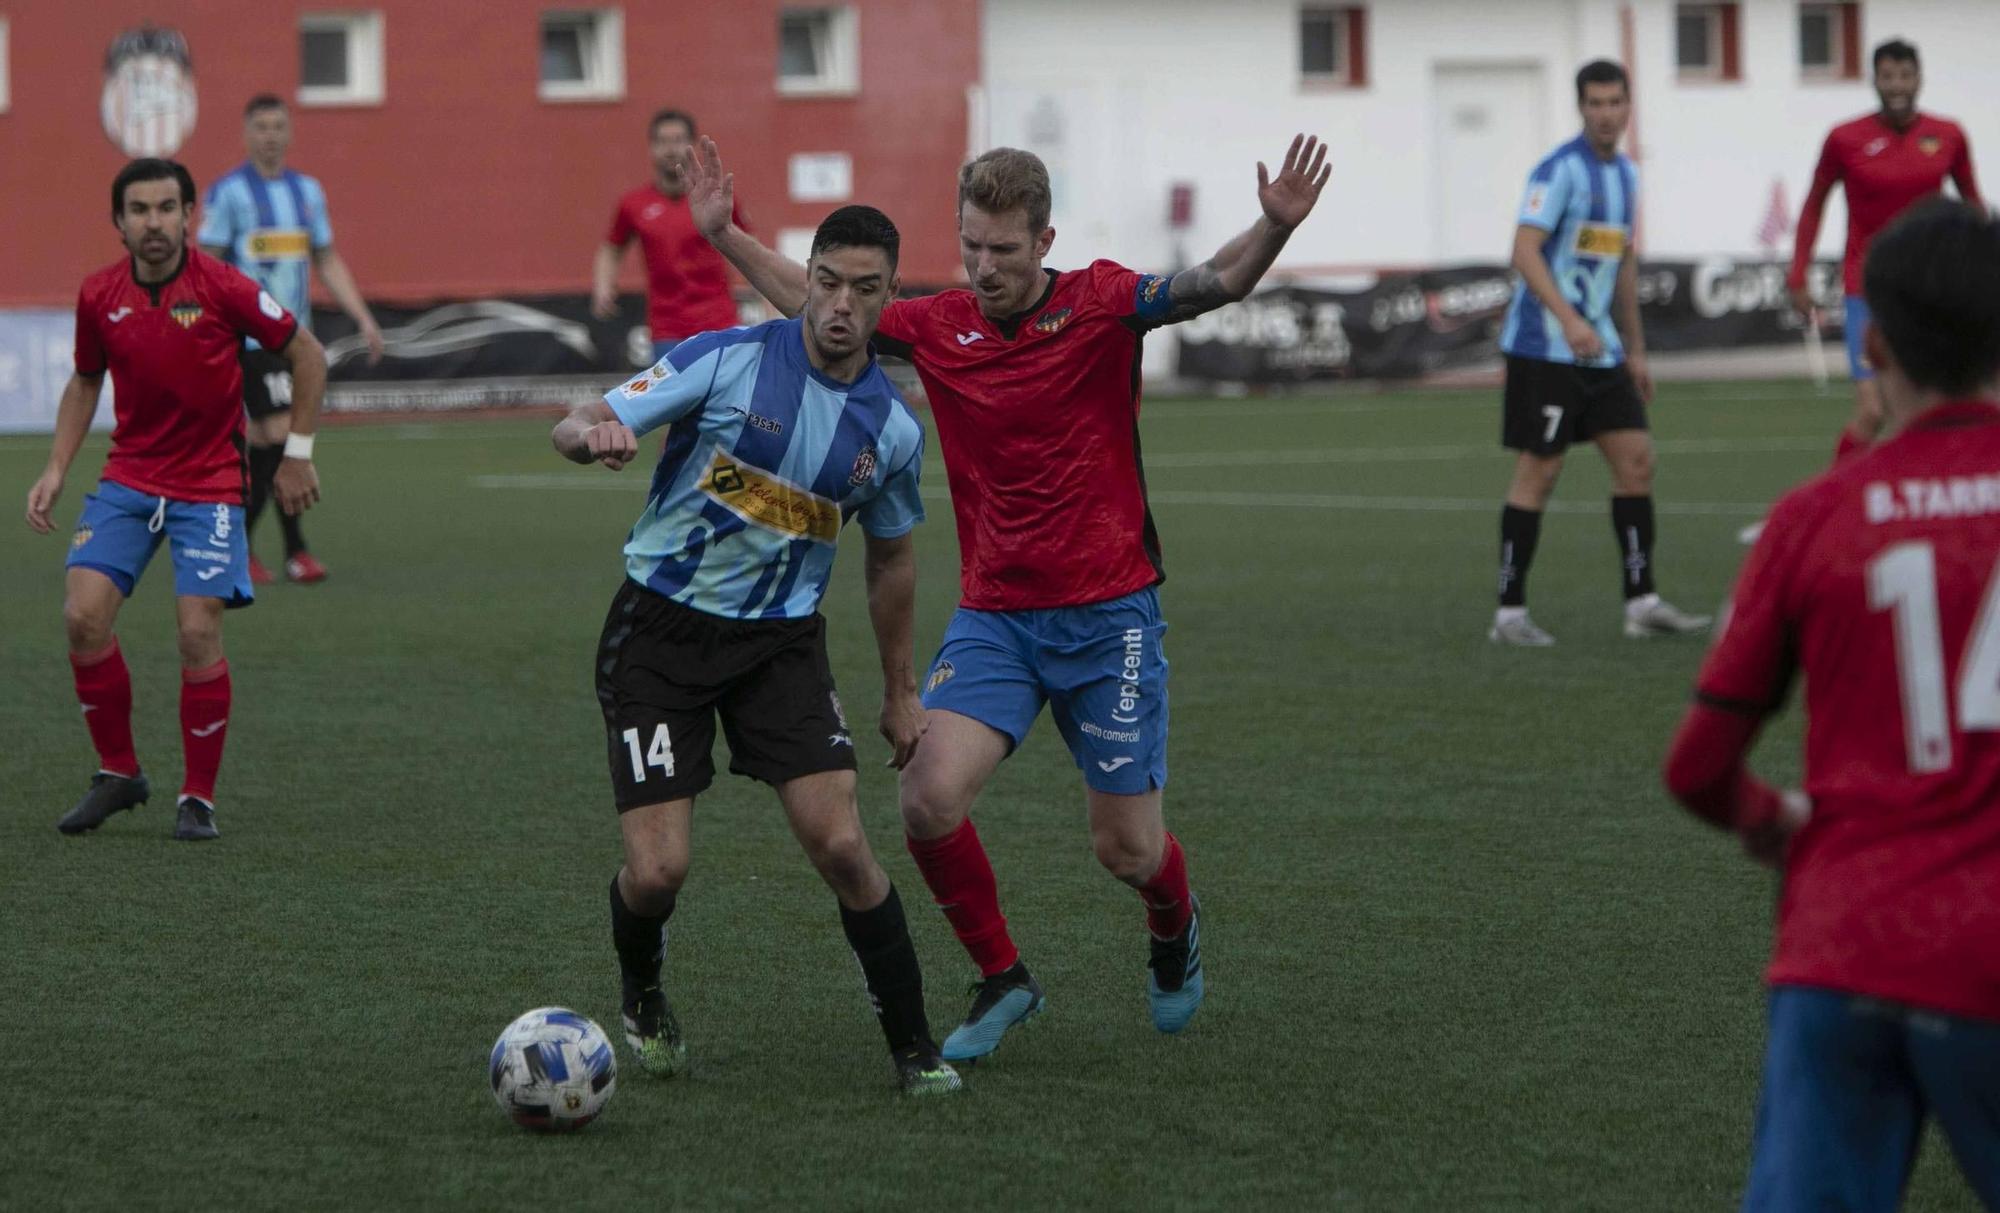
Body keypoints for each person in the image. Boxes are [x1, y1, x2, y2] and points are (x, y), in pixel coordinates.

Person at [687, 131, 1330, 1060]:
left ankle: (1172, 918)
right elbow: (819, 300)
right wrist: (725, 233)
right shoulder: (940, 325)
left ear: (1045, 240)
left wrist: (1270, 228)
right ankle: (1004, 976)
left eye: (1004, 250)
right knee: (926, 798)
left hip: (1111, 618)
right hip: (996, 619)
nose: (984, 267)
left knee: (1127, 850)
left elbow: (1212, 283)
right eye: (971, 245)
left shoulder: (1103, 301)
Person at [551, 205, 958, 1096]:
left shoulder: (890, 431)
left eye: (866, 287)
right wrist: (596, 437)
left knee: (844, 845)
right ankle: (644, 992)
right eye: (828, 280)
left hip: (781, 650)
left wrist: (900, 690)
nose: (842, 303)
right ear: (805, 277)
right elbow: (578, 420)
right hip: (660, 632)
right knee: (658, 871)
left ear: (891, 298)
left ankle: (915, 1046)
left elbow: (891, 558)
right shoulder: (724, 357)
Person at [1663, 198, 2000, 1211]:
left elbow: (1695, 768)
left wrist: (1772, 819)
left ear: (1875, 343)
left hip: (1840, 944)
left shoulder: (1813, 517)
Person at [25, 158, 327, 841]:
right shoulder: (99, 294)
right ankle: (119, 771)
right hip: (129, 477)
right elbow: (84, 381)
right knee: (82, 617)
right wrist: (55, 469)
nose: (153, 222)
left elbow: (307, 353)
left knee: (197, 630)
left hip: (211, 484)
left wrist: (297, 453)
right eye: (139, 210)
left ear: (189, 215)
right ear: (118, 223)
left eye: (166, 208)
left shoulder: (222, 286)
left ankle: (198, 797)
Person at [1489, 60, 1709, 647]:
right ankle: (1509, 614)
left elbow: (1621, 265)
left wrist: (1634, 348)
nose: (1606, 113)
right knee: (1542, 470)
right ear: (1581, 107)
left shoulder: (1628, 177)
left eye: (1615, 103)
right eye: (1595, 103)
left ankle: (1642, 602)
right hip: (1546, 349)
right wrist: (1568, 320)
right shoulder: (1558, 171)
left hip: (1602, 352)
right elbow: (1524, 249)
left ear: (1628, 107)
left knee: (1637, 461)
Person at [199, 93, 381, 585]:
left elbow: (325, 258)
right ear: (246, 133)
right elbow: (206, 265)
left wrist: (362, 315)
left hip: (295, 341)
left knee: (267, 442)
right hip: (249, 340)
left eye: (279, 126)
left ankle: (248, 549)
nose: (271, 135)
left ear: (290, 132)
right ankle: (282, 550)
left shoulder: (307, 191)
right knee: (279, 435)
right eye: (261, 126)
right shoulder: (229, 193)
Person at [1787, 39, 1981, 459]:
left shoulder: (1948, 136)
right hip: (1866, 288)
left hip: (1926, 290)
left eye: (1905, 76)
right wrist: (1797, 272)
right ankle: (1837, 505)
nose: (1897, 86)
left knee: (1926, 411)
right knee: (1874, 410)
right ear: (1874, 80)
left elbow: (1973, 206)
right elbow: (1814, 203)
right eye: (1887, 76)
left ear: (1919, 79)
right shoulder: (1844, 139)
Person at [592, 109, 748, 362]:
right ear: (652, 147)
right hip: (667, 329)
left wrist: (768, 299)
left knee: (725, 400)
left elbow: (749, 246)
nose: (670, 149)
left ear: (692, 145)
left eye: (678, 140)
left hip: (719, 323)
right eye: (662, 142)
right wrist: (603, 285)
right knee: (676, 401)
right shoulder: (633, 204)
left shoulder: (715, 199)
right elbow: (612, 247)